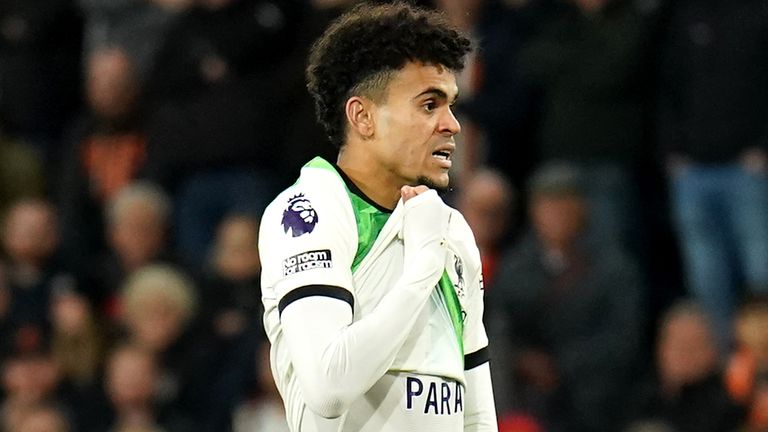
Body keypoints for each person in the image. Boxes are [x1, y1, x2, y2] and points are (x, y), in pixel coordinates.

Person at [258, 2, 497, 431]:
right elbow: (329, 389)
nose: (452, 124)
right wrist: (422, 266)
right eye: (429, 105)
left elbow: (476, 413)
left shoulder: (452, 231)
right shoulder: (308, 212)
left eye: (451, 105)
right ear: (362, 116)